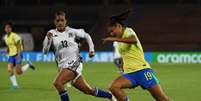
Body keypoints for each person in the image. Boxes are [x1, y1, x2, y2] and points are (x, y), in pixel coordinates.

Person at [42, 11, 116, 101]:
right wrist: (49, 40)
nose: (60, 22)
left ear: (65, 21)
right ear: (55, 22)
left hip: (75, 62)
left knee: (58, 83)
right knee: (88, 90)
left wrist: (91, 50)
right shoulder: (51, 33)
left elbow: (87, 36)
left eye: (62, 20)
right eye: (58, 20)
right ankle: (110, 96)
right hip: (63, 66)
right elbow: (45, 51)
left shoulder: (72, 31)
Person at [103, 10, 172, 101]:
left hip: (142, 70)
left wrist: (112, 38)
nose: (111, 34)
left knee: (162, 99)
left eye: (112, 31)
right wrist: (123, 66)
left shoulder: (128, 31)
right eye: (110, 33)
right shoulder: (119, 40)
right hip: (130, 74)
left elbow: (133, 40)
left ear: (118, 26)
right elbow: (125, 54)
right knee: (114, 87)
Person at [3, 21, 35, 89]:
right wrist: (7, 50)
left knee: (18, 72)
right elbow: (9, 45)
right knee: (9, 69)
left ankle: (28, 65)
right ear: (5, 29)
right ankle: (15, 85)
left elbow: (19, 45)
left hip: (17, 54)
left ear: (11, 29)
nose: (7, 29)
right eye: (6, 28)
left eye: (9, 28)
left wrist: (19, 54)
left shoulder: (14, 36)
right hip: (11, 55)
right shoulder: (5, 37)